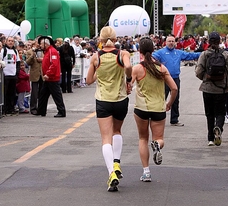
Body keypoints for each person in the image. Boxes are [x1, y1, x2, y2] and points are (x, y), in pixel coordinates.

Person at [85, 26, 132, 192]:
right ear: (116, 38)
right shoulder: (122, 54)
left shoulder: (96, 57)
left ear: (100, 40)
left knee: (106, 138)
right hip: (120, 99)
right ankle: (117, 162)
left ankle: (111, 172)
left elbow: (88, 80)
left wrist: (99, 72)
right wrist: (128, 79)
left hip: (103, 100)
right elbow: (127, 67)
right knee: (117, 132)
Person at [131, 37, 177, 182]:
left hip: (142, 108)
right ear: (153, 49)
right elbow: (174, 88)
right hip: (159, 107)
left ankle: (146, 172)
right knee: (159, 138)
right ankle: (157, 145)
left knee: (143, 138)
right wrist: (169, 102)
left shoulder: (138, 68)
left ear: (140, 51)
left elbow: (127, 85)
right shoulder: (162, 68)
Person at [195, 32, 228, 146]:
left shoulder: (204, 54)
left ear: (208, 42)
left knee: (209, 114)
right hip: (222, 89)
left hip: (207, 88)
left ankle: (210, 138)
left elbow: (198, 72)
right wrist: (225, 78)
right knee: (220, 112)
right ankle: (218, 127)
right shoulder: (226, 55)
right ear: (220, 41)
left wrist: (205, 78)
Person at [152, 35, 201, 126]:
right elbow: (151, 58)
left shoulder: (178, 52)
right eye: (169, 41)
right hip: (164, 79)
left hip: (175, 78)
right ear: (165, 43)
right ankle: (158, 117)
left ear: (175, 42)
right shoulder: (160, 52)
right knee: (162, 98)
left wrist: (203, 53)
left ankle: (174, 119)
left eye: (172, 41)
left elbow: (190, 55)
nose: (171, 43)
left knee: (175, 99)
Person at [33, 36, 66, 118]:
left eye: (41, 44)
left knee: (56, 95)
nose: (40, 45)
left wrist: (48, 74)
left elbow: (54, 64)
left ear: (45, 44)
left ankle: (61, 111)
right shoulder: (48, 51)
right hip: (48, 78)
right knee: (43, 94)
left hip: (52, 78)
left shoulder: (52, 51)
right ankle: (41, 110)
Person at [0, 36, 20, 115]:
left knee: (12, 93)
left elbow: (18, 62)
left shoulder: (15, 51)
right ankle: (5, 108)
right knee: (5, 93)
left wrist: (17, 72)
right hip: (6, 75)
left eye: (12, 41)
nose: (11, 42)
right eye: (9, 41)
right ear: (6, 41)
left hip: (13, 75)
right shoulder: (3, 50)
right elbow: (1, 60)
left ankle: (11, 108)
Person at [26, 39, 44, 115]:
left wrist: (43, 59)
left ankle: (41, 107)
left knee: (42, 92)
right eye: (38, 43)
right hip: (35, 73)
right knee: (34, 92)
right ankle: (33, 108)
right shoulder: (29, 52)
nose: (39, 45)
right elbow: (28, 62)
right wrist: (32, 56)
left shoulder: (44, 51)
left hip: (42, 74)